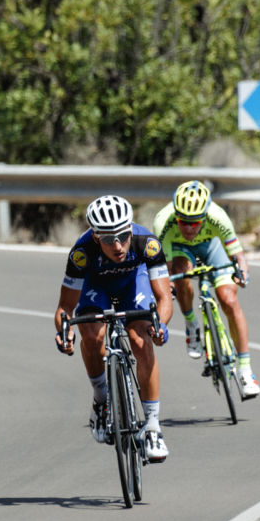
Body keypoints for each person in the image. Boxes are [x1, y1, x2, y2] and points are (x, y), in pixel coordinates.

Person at [54, 195, 174, 463]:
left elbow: (164, 298)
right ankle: (101, 399)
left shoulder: (147, 243)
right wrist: (65, 332)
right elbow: (65, 308)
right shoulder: (82, 252)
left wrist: (161, 325)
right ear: (96, 238)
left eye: (122, 236)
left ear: (130, 229)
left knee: (140, 340)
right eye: (108, 239)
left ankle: (153, 427)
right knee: (91, 334)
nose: (118, 246)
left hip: (134, 283)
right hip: (96, 286)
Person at [152, 180, 260, 398]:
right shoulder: (163, 222)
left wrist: (242, 273)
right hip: (180, 250)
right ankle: (191, 325)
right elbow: (166, 269)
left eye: (195, 223)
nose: (189, 228)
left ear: (204, 217)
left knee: (228, 299)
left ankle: (245, 370)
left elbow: (238, 256)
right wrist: (169, 287)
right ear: (176, 216)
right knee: (181, 272)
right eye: (183, 222)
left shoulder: (217, 216)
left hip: (211, 247)